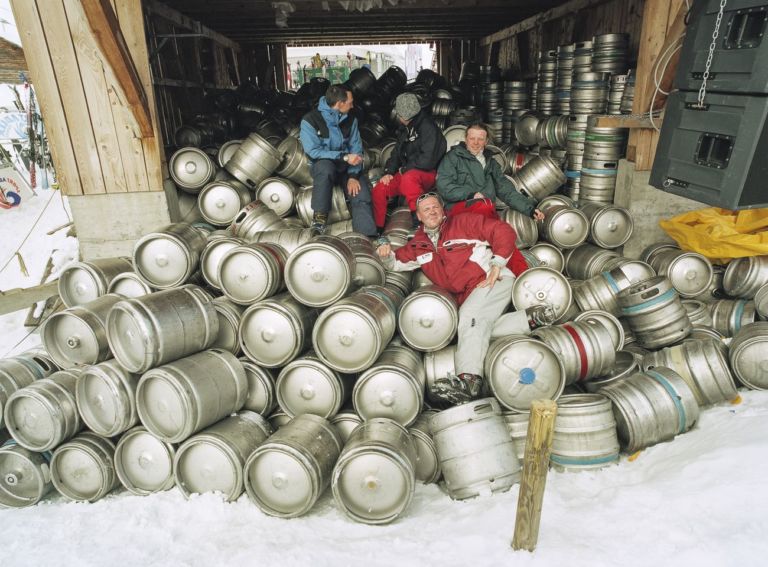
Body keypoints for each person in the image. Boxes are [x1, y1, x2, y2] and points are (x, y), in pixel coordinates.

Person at [375, 193, 555, 404]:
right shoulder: (418, 245)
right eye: (426, 209)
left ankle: (469, 381)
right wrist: (385, 253)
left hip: (492, 279)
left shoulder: (463, 223)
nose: (432, 211)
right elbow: (395, 263)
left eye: (435, 207)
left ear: (443, 210)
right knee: (472, 325)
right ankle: (530, 319)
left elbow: (503, 230)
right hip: (469, 295)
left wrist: (497, 263)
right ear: (419, 217)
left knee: (470, 317)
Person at [299, 84, 377, 236]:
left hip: (346, 167)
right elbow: (314, 151)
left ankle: (366, 236)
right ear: (340, 103)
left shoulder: (351, 120)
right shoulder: (310, 120)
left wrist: (353, 176)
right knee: (325, 168)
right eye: (350, 102)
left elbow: (356, 148)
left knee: (360, 192)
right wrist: (343, 157)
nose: (353, 105)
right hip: (322, 165)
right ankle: (319, 219)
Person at [436, 123, 544, 221]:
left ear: (486, 141)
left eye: (480, 139)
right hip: (458, 213)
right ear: (466, 139)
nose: (476, 143)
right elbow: (444, 185)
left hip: (485, 212)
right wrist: (470, 194)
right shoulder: (452, 157)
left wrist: (530, 210)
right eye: (472, 138)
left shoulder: (491, 163)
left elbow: (506, 191)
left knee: (503, 233)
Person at [371, 93, 447, 232]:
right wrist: (388, 172)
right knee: (380, 188)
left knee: (408, 179)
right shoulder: (405, 128)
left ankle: (418, 222)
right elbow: (396, 153)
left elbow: (428, 160)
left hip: (429, 173)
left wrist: (405, 169)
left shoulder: (428, 127)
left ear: (403, 115)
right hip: (408, 171)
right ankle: (379, 229)